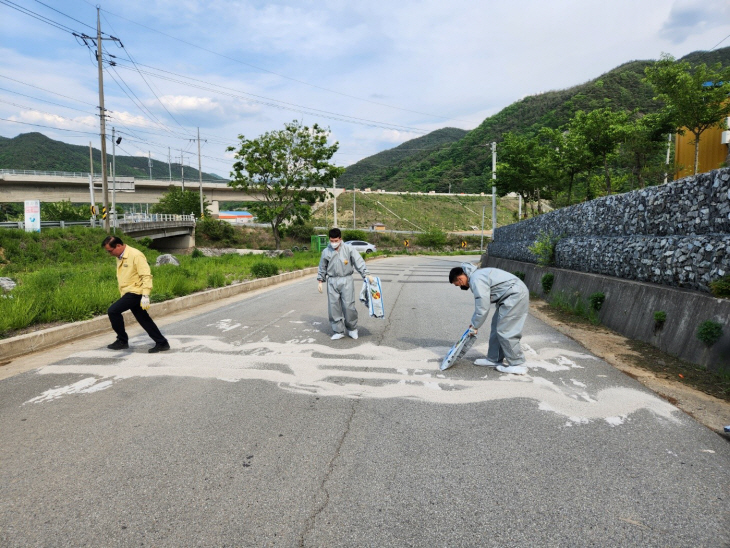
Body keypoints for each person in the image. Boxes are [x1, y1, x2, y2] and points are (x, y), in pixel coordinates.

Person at [449, 263, 529, 375]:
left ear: (460, 278)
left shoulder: (476, 279)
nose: (460, 286)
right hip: (509, 296)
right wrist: (475, 324)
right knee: (497, 327)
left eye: (457, 284)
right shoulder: (477, 276)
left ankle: (517, 364)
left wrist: (475, 325)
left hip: (514, 296)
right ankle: (494, 359)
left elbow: (482, 306)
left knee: (506, 330)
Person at [102, 235, 170, 353]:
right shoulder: (120, 256)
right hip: (128, 291)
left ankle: (122, 340)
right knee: (144, 319)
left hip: (135, 292)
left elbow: (146, 275)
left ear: (118, 246)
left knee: (113, 311)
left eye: (110, 251)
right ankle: (162, 342)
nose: (110, 254)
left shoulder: (135, 255)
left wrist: (145, 295)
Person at [317, 228, 375, 340]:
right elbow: (322, 266)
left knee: (348, 306)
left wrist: (366, 274)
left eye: (336, 240)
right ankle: (338, 331)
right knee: (334, 307)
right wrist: (320, 280)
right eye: (332, 241)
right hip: (332, 281)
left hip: (346, 279)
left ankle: (352, 328)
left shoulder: (349, 249)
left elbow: (359, 262)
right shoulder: (326, 251)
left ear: (340, 239)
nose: (334, 243)